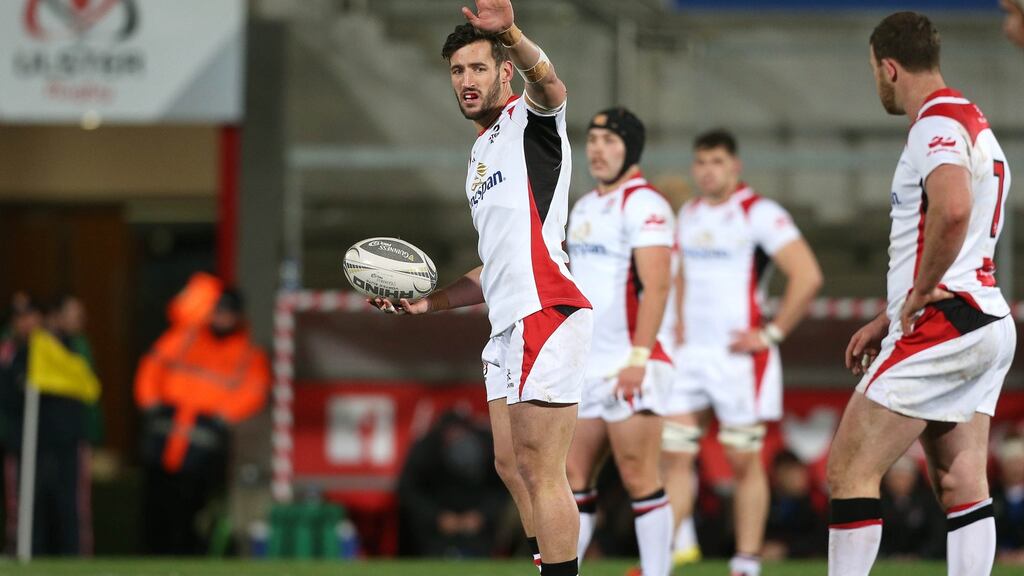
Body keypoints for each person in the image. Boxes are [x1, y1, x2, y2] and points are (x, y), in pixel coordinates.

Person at [371, 2, 593, 574]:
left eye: (477, 67)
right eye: (456, 71)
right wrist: (433, 302)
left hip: (546, 308)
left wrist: (512, 34)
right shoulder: (479, 152)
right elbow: (493, 267)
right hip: (508, 316)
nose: (466, 80)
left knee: (543, 469)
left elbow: (553, 85)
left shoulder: (530, 119)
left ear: (504, 73)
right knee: (509, 466)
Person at [828, 12, 1015, 576]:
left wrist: (920, 293)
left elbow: (954, 208)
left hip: (944, 321)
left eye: (873, 72)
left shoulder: (934, 124)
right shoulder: (974, 120)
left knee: (848, 470)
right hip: (985, 317)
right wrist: (891, 315)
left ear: (889, 67)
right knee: (961, 482)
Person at [661, 130, 822, 576]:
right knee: (673, 455)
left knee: (741, 460)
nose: (707, 171)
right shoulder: (689, 214)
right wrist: (674, 322)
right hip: (691, 354)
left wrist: (770, 334)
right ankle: (663, 560)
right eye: (701, 162)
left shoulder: (760, 214)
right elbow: (679, 277)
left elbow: (806, 275)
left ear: (735, 166)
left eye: (716, 161)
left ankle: (746, 559)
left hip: (738, 358)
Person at [565, 107, 675, 576]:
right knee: (573, 478)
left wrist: (638, 358)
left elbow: (658, 285)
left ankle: (657, 571)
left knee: (637, 475)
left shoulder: (646, 204)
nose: (597, 148)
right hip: (585, 365)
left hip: (632, 362)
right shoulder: (585, 206)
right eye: (592, 139)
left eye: (610, 140)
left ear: (630, 148)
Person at [135, 287, 270, 555]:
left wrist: (224, 416)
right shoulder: (185, 338)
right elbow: (153, 365)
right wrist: (149, 401)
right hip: (166, 431)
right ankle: (152, 553)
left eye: (227, 313)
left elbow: (254, 390)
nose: (221, 318)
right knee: (157, 501)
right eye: (217, 311)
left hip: (206, 438)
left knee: (197, 505)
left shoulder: (247, 353)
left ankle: (190, 553)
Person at [397, 409, 507, 557]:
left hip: (479, 530)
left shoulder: (488, 447)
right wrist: (437, 517)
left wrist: (482, 515)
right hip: (434, 531)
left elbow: (502, 489)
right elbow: (408, 490)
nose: (456, 438)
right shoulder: (425, 449)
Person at [878, 454, 946, 560]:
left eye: (904, 477)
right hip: (887, 556)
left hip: (922, 556)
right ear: (887, 480)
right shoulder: (879, 503)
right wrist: (888, 556)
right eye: (896, 477)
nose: (900, 482)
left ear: (914, 478)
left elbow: (937, 534)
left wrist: (921, 555)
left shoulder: (928, 502)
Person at [763, 450, 827, 560]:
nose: (797, 478)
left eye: (800, 472)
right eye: (790, 473)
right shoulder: (766, 501)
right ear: (777, 475)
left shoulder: (818, 501)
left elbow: (823, 540)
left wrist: (787, 550)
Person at [993, 434, 1024, 561]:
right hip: (999, 557)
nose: (1015, 468)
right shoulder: (992, 496)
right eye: (1010, 463)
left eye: (1018, 462)